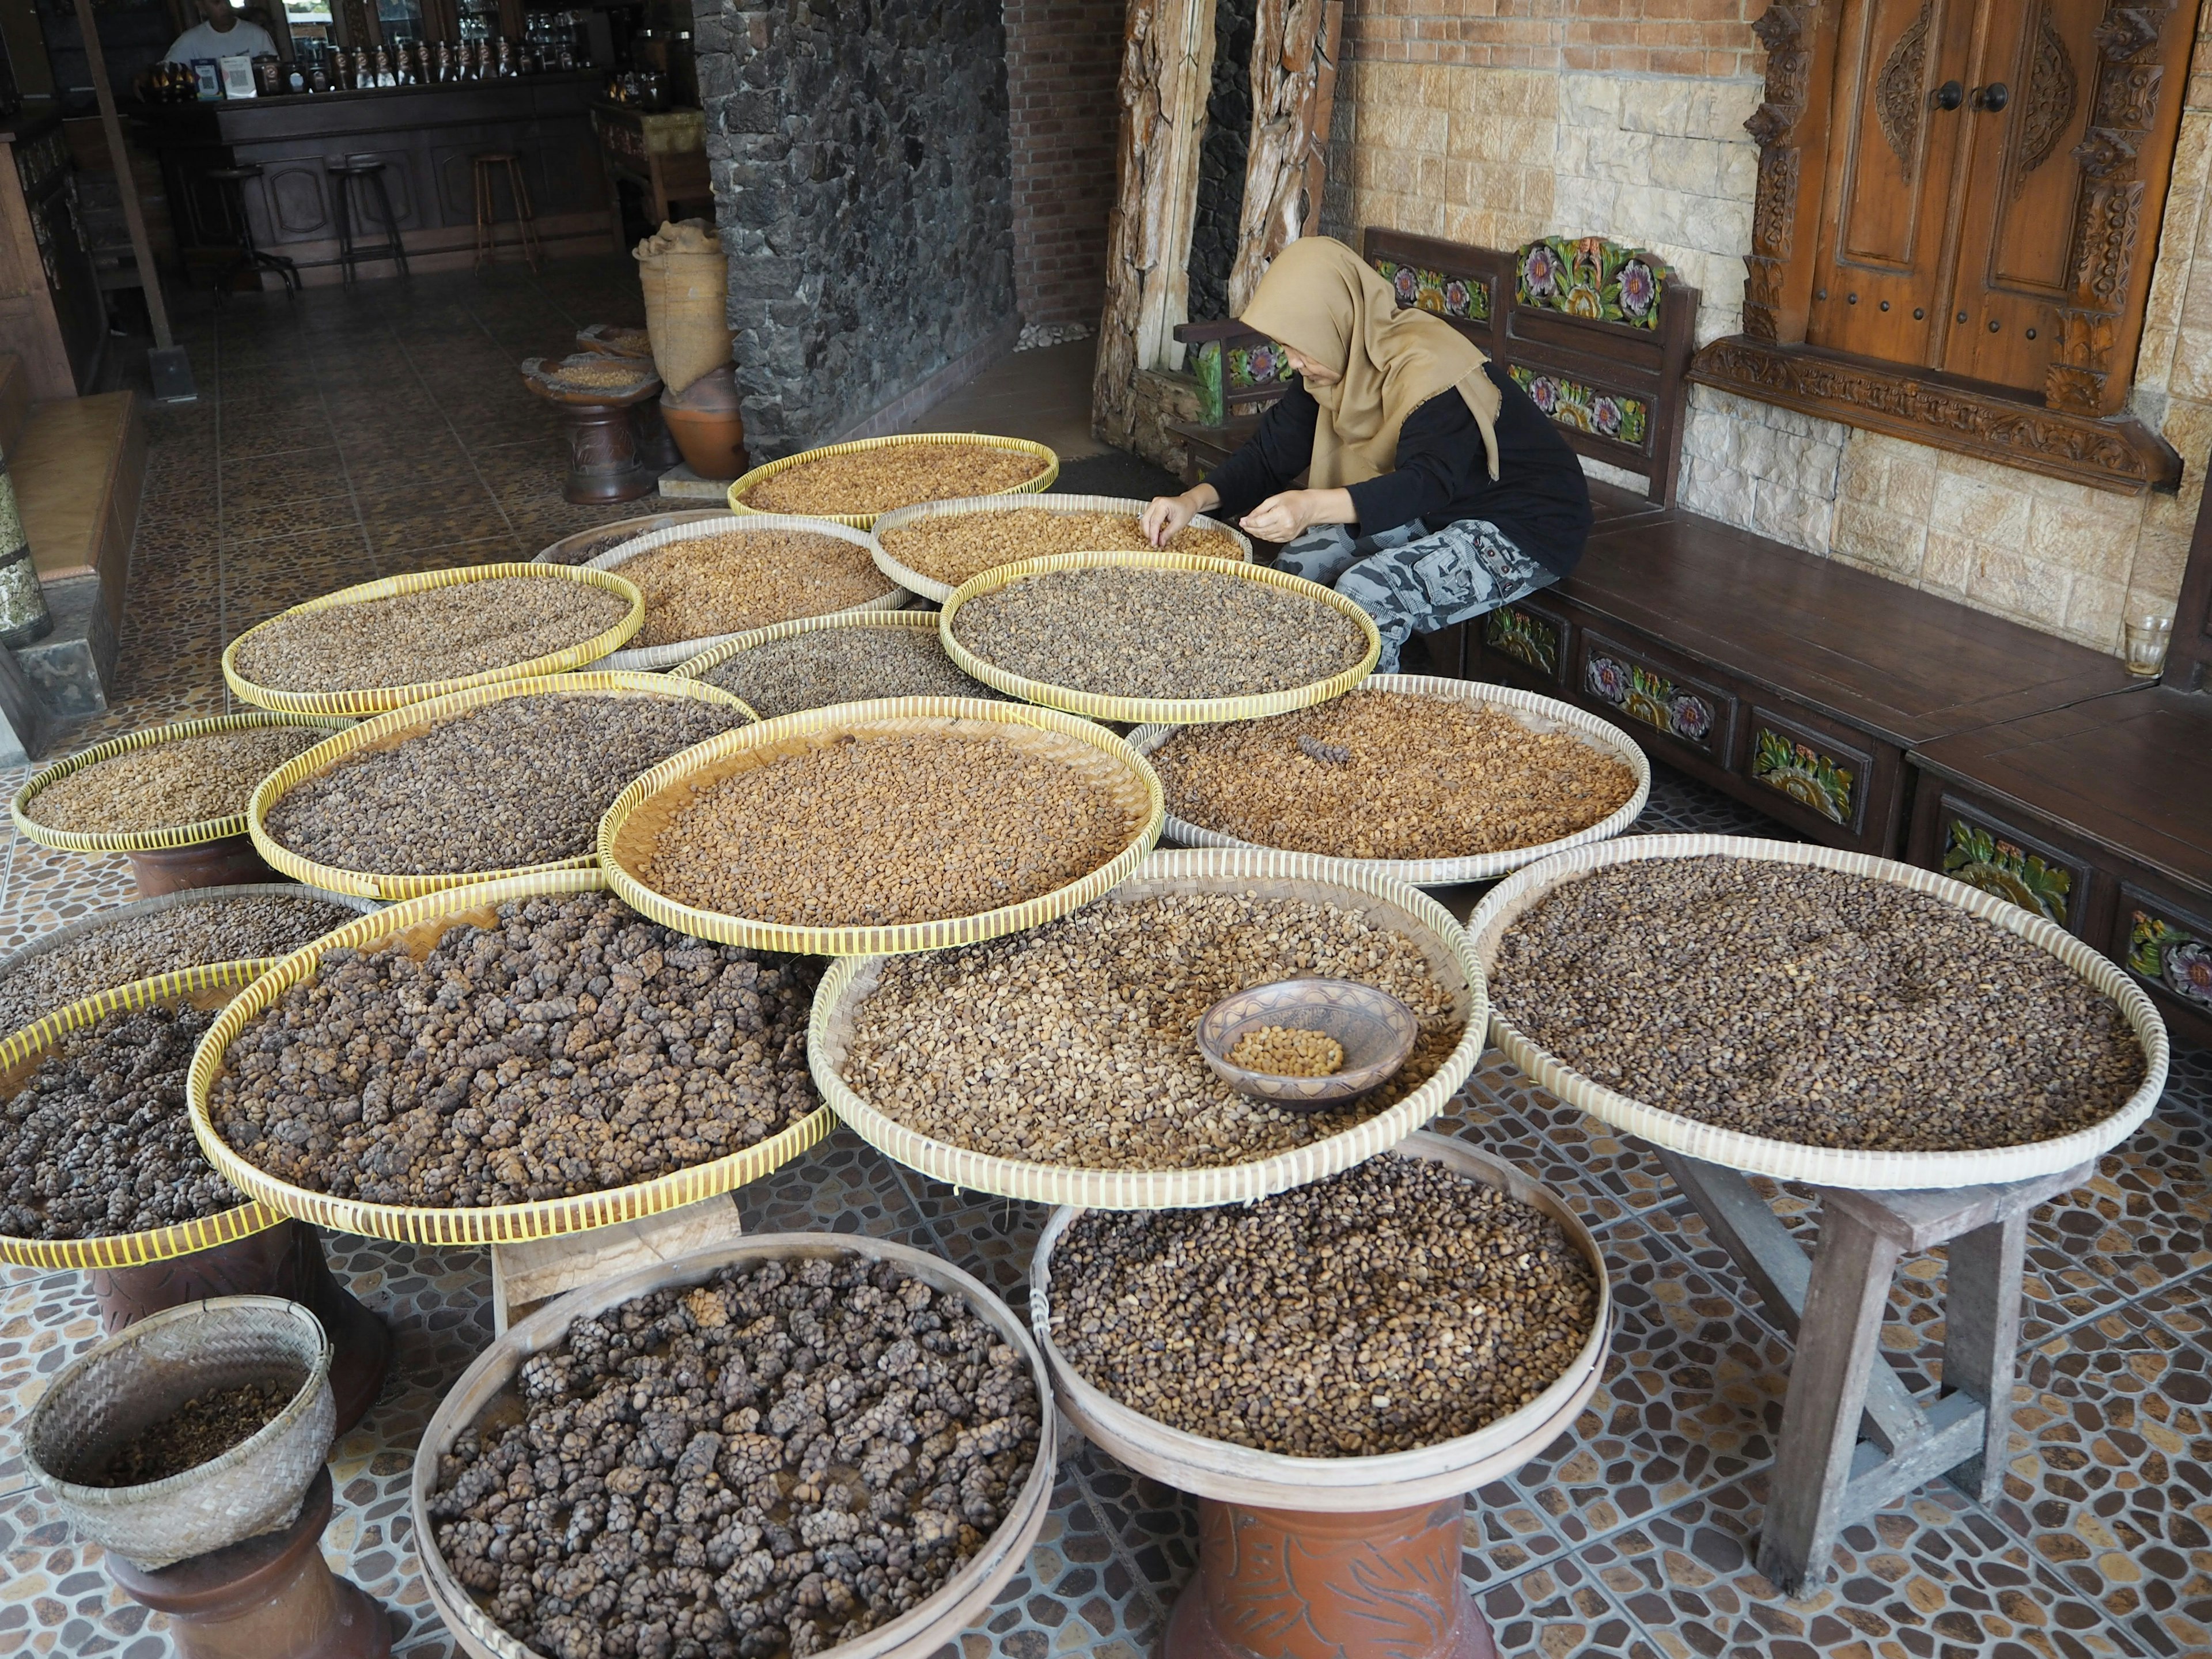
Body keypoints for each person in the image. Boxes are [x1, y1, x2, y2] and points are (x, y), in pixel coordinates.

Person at [1142, 236, 1593, 675]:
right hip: (1442, 506)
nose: (1292, 361)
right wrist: (1192, 502)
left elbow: (1427, 482)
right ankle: (1292, 693)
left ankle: (1365, 734)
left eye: (1298, 343)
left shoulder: (1431, 369)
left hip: (1524, 522)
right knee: (1298, 565)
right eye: (1286, 345)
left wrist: (1313, 506)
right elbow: (1268, 455)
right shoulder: (1333, 365)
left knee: (1367, 593)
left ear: (1334, 321)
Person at [165, 0, 278, 65]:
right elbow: (167, 71)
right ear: (201, 6)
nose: (225, 7)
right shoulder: (189, 41)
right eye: (217, 2)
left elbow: (274, 71)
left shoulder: (257, 34)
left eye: (227, 1)